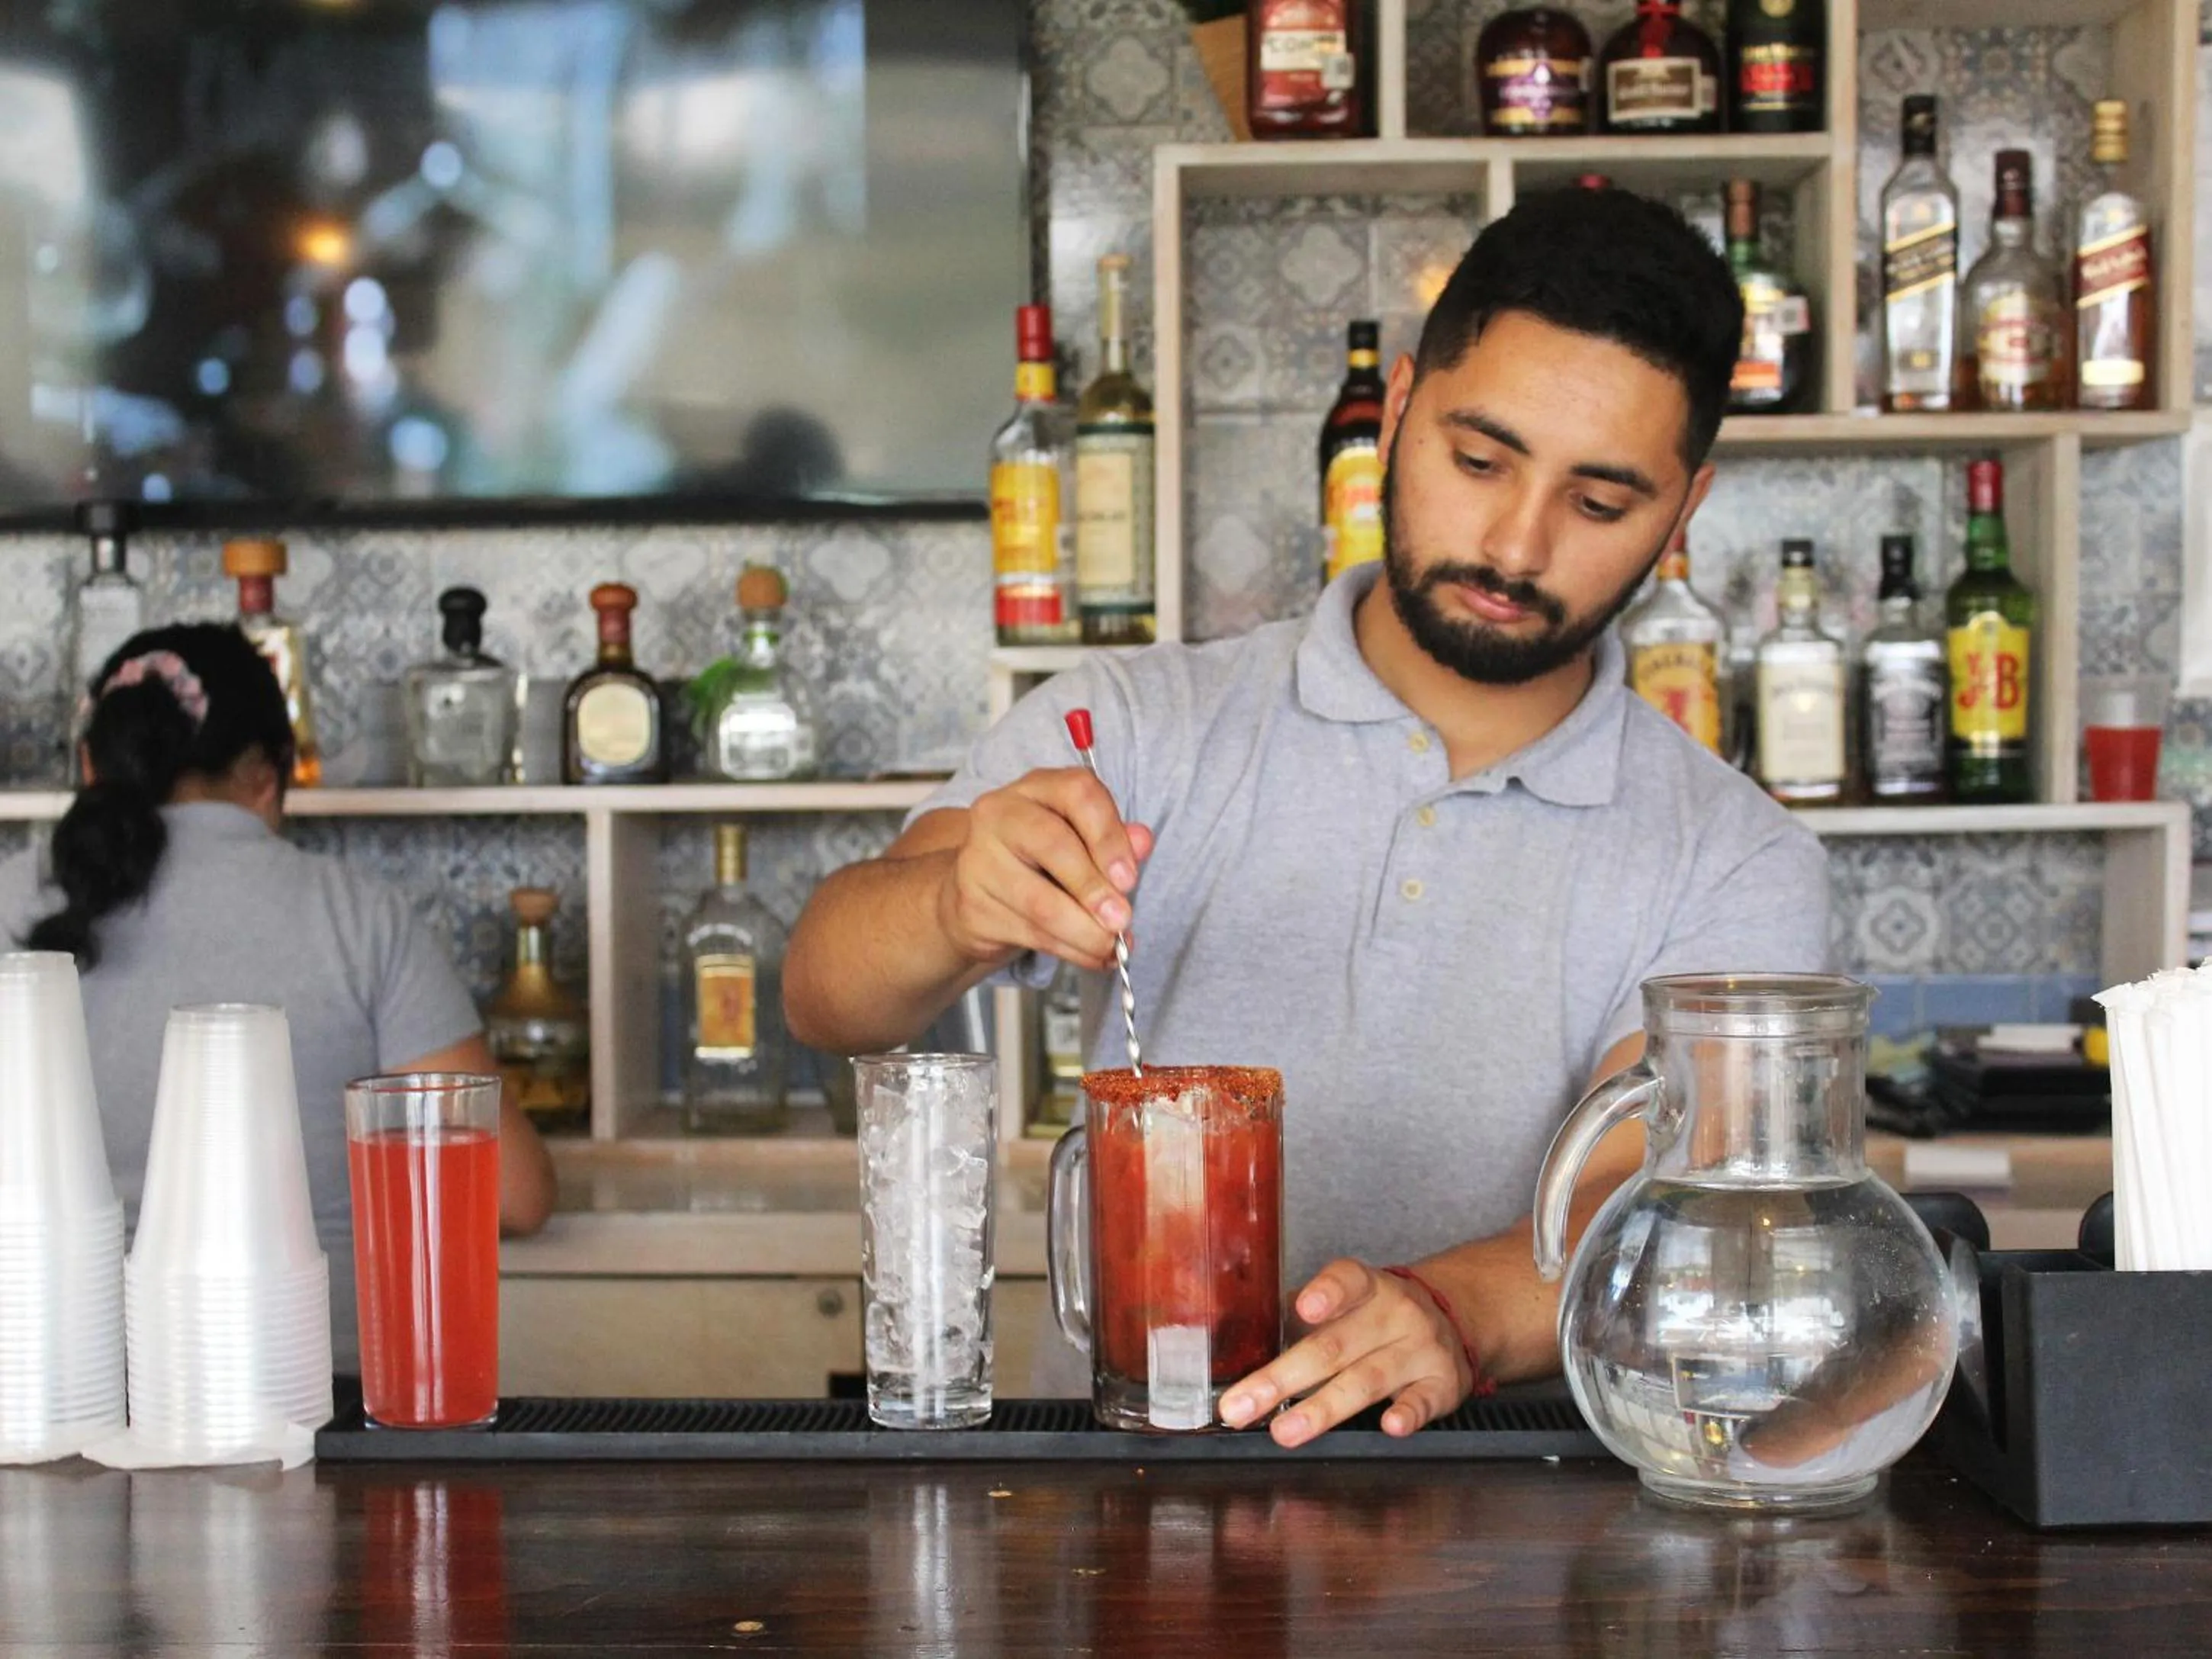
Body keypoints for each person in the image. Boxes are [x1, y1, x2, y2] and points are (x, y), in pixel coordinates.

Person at [783, 186, 1831, 1443]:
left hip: (1524, 1516)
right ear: (1393, 414)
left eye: (1599, 504)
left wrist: (1450, 1311)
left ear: (1684, 512)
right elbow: (826, 995)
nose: (1515, 541)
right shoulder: (1135, 724)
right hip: (1143, 1469)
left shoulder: (1734, 857)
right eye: (1479, 460)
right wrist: (954, 905)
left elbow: (1656, 1209)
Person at [0, 623, 557, 1371]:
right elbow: (513, 1194)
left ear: (90, 763)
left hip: (50, 1404)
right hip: (313, 1413)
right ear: (266, 775)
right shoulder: (358, 914)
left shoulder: (9, 902)